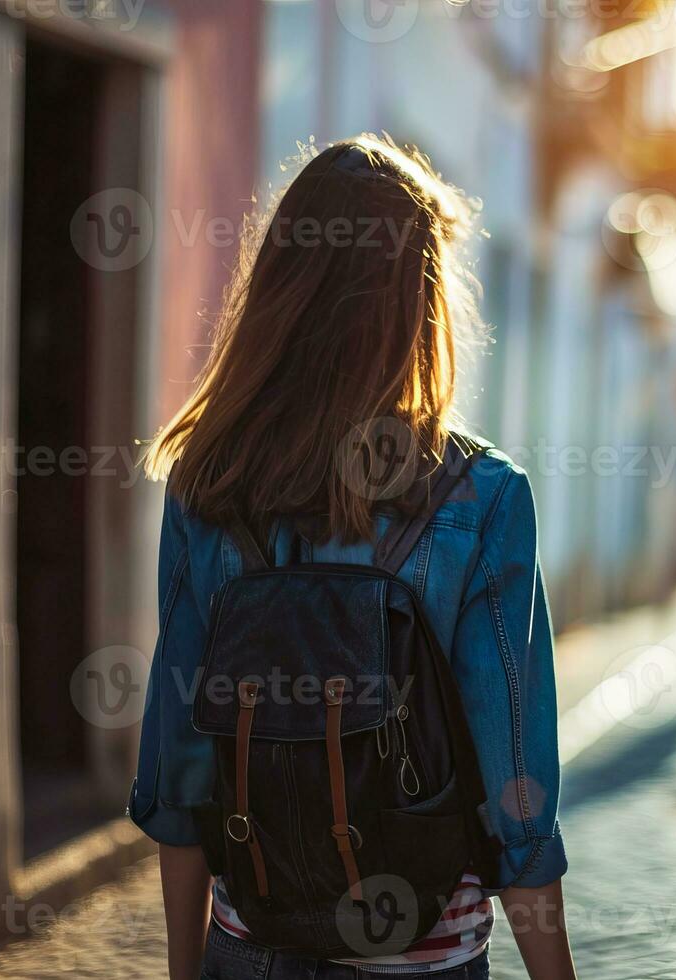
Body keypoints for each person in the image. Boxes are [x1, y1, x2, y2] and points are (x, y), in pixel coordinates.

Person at [130, 137, 576, 980]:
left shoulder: (207, 479)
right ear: (422, 300)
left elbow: (178, 767)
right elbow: (516, 785)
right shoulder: (480, 498)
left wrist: (182, 971)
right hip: (424, 952)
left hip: (252, 936)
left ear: (280, 290)